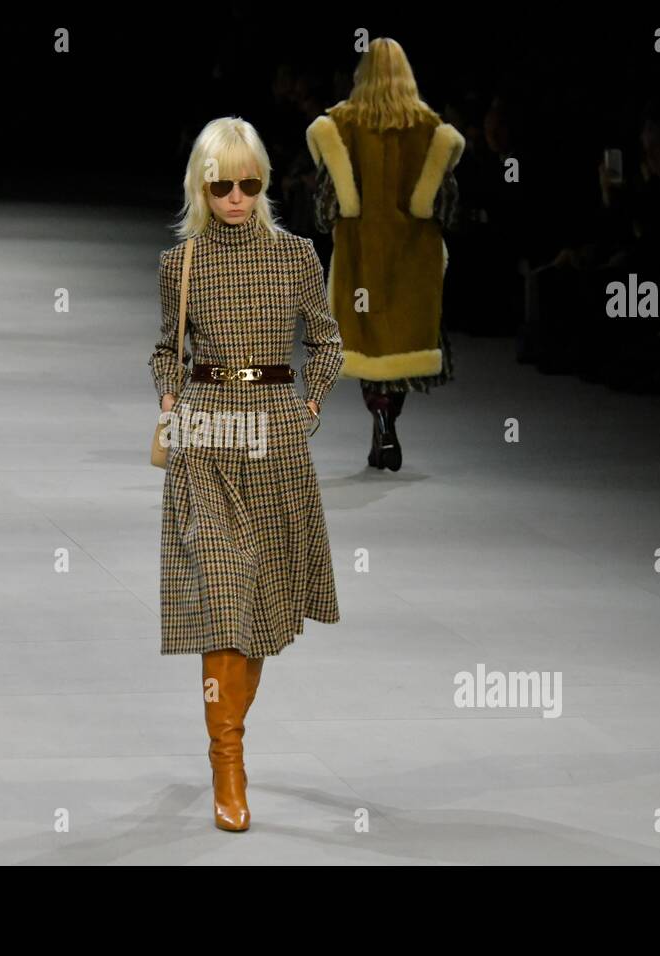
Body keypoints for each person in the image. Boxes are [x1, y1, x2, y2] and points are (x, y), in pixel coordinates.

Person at [148, 116, 344, 831]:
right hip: (205, 439)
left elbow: (326, 340)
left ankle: (229, 747)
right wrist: (170, 393)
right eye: (223, 184)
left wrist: (311, 406)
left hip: (275, 440)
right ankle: (227, 765)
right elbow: (166, 349)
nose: (236, 196)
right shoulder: (182, 263)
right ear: (203, 185)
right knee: (224, 598)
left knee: (258, 615)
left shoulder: (295, 257)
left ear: (264, 183)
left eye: (249, 183)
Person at [306, 37, 465, 470]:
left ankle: (379, 415)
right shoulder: (431, 131)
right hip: (414, 257)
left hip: (360, 255)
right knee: (399, 344)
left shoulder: (339, 127)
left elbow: (324, 210)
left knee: (367, 341)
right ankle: (387, 419)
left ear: (361, 75)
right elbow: (448, 208)